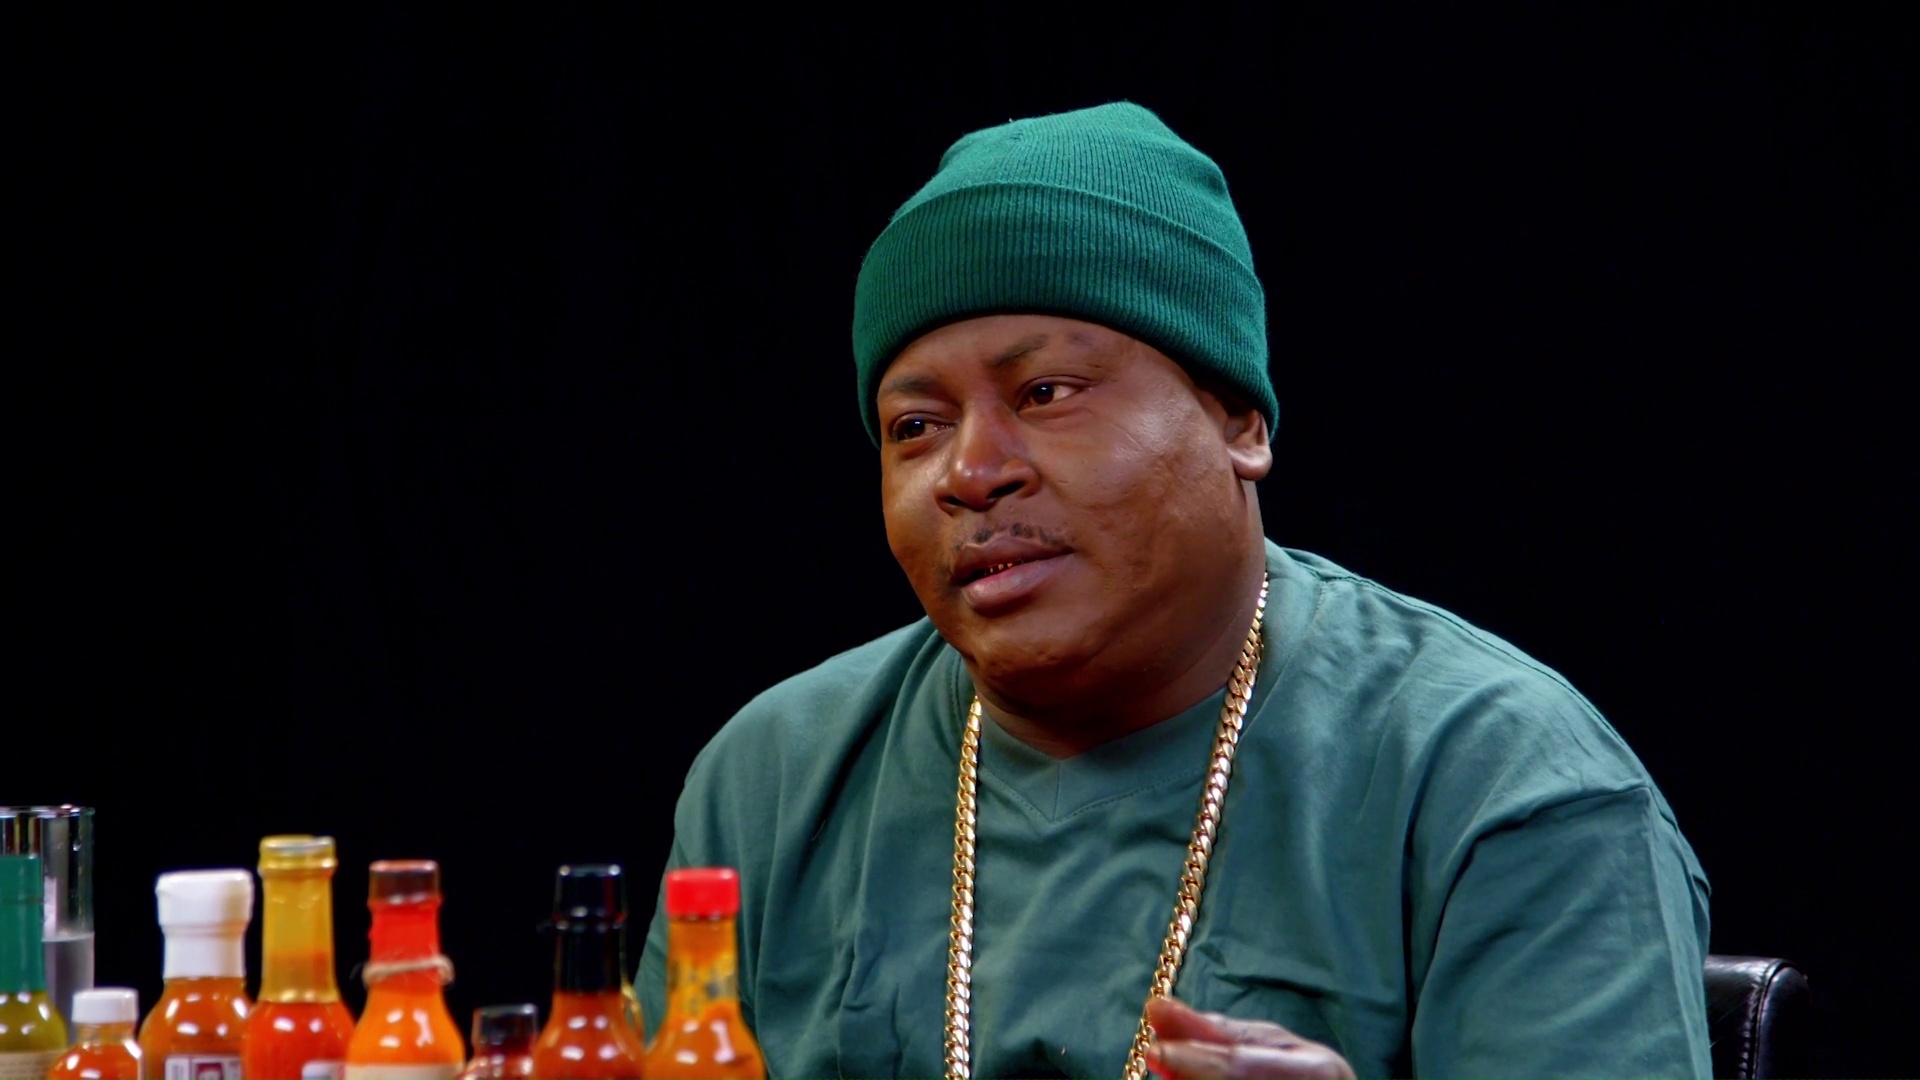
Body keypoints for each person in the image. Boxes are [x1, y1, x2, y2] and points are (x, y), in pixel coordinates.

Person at [638, 102, 1712, 1080]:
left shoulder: (1494, 775)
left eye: (1046, 393)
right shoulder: (772, 778)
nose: (971, 472)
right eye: (915, 426)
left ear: (1238, 421)